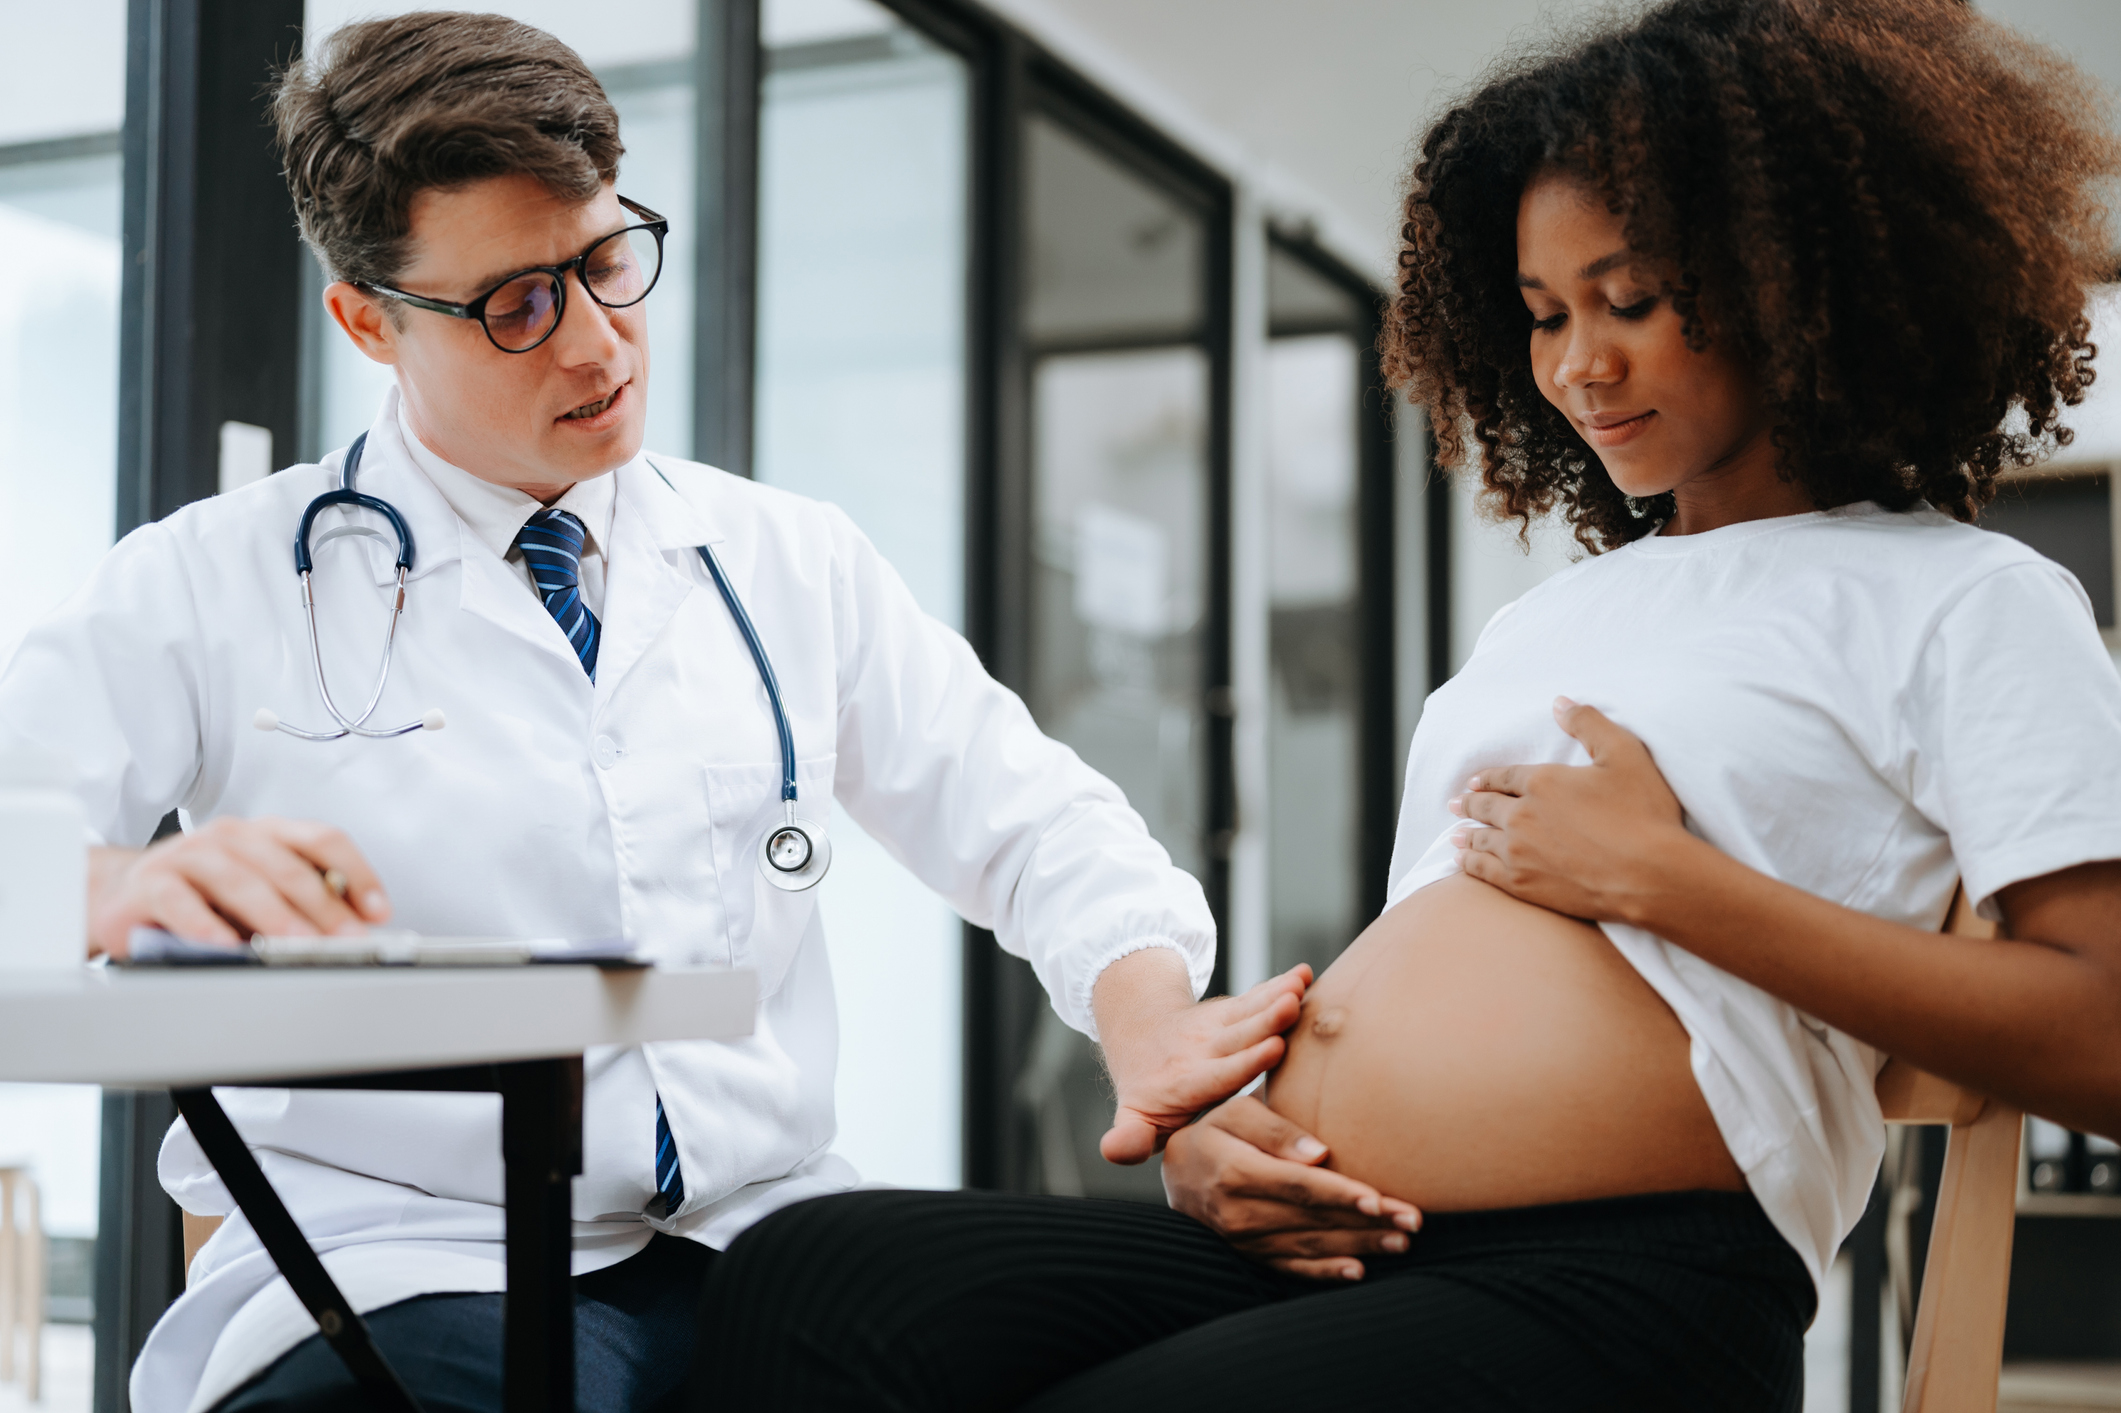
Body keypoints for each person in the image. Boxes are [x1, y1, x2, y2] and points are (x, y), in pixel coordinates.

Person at [687, 1, 2121, 1408]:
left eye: (1630, 300)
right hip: (1343, 1234)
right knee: (812, 1274)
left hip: (1631, 1277)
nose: (1577, 365)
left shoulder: (1960, 597)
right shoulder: (1545, 617)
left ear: (1797, 280)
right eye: (1543, 313)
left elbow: (2101, 1031)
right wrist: (1228, 1129)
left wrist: (1663, 879)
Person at [0, 13, 1312, 1413]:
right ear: (368, 318)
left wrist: (1153, 1028)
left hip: (765, 1234)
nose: (598, 344)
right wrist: (115, 881)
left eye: (610, 260)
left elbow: (1031, 821)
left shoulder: (785, 558)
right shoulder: (211, 583)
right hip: (413, 1259)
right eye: (517, 304)